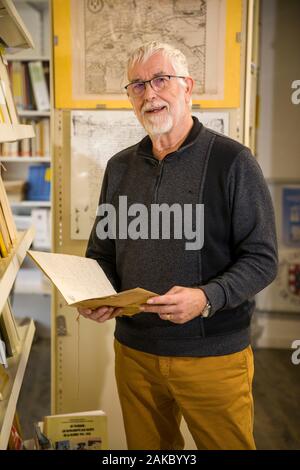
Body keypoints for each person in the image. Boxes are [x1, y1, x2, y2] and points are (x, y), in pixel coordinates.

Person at [78, 41, 278, 450]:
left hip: (214, 356)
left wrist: (206, 297)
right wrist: (99, 294)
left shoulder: (233, 162)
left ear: (187, 87)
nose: (149, 93)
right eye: (136, 85)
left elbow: (262, 258)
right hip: (135, 354)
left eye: (160, 80)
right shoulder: (119, 168)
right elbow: (102, 252)